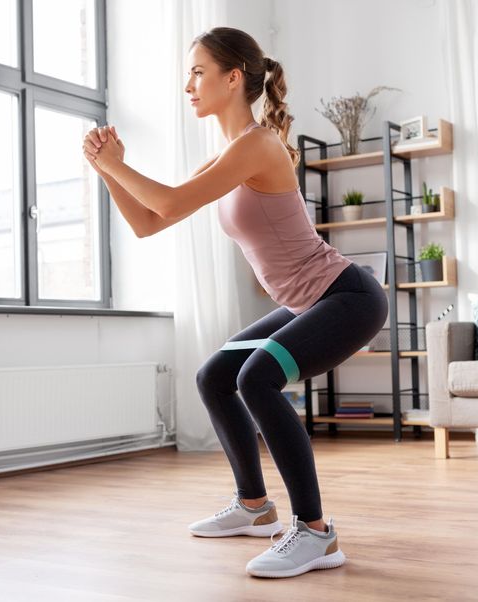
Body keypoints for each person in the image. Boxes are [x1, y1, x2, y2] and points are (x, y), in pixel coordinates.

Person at [82, 26, 388, 579]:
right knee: (215, 377)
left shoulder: (257, 144)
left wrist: (116, 165)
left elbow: (169, 204)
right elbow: (151, 223)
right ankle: (254, 506)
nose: (188, 85)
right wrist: (108, 173)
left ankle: (316, 533)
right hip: (307, 303)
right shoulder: (229, 152)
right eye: (188, 73)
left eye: (198, 72)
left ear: (233, 77)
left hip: (347, 297)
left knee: (256, 379)